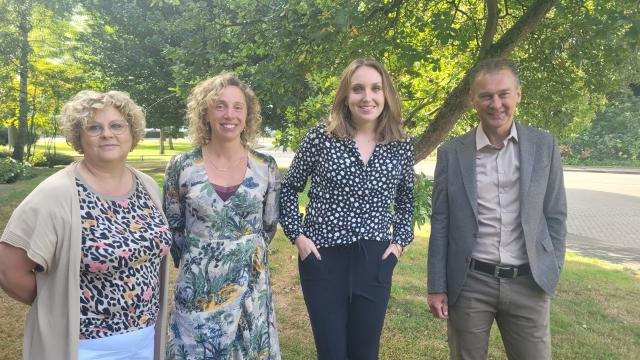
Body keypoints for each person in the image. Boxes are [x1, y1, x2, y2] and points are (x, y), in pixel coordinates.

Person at [0, 90, 172, 360]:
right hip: (84, 348)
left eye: (117, 125)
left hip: (145, 341)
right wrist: (55, 304)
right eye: (94, 127)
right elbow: (9, 270)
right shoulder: (55, 194)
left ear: (132, 133)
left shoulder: (147, 186)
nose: (107, 134)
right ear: (78, 137)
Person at [427, 58, 567, 360]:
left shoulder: (544, 145)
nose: (496, 104)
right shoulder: (452, 153)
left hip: (529, 283)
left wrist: (551, 267)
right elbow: (441, 223)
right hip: (471, 282)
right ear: (473, 100)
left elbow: (556, 214)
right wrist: (437, 285)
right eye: (486, 96)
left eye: (503, 94)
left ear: (518, 94)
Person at [279, 58, 414, 360]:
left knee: (366, 353)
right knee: (331, 353)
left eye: (375, 88)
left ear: (386, 94)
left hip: (375, 261)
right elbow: (288, 188)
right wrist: (298, 237)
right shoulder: (321, 137)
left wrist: (398, 246)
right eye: (358, 89)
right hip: (322, 258)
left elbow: (406, 200)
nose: (367, 97)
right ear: (345, 96)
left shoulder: (401, 144)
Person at [163, 72, 281, 359]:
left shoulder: (265, 167)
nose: (230, 115)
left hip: (251, 290)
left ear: (247, 114)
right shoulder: (182, 166)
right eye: (220, 106)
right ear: (205, 112)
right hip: (198, 293)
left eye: (237, 107)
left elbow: (267, 227)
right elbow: (174, 229)